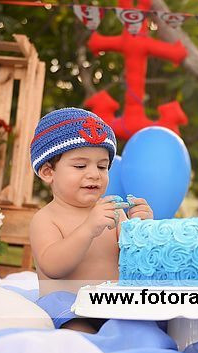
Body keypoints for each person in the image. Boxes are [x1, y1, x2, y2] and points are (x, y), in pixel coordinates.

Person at [29, 108, 153, 332]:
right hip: (70, 309)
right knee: (74, 329)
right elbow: (52, 266)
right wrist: (87, 229)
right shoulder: (46, 218)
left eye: (102, 166)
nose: (94, 174)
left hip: (112, 305)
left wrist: (142, 229)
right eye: (80, 166)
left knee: (147, 327)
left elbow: (137, 261)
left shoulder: (114, 212)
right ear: (48, 172)